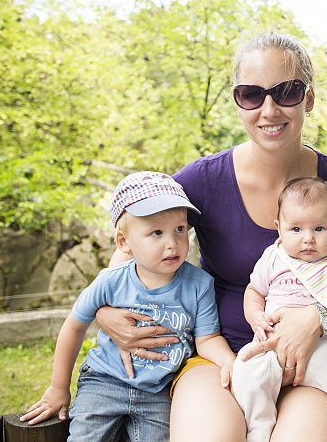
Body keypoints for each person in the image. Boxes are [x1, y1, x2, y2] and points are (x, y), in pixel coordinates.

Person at [96, 32, 327, 441]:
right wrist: (102, 312)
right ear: (238, 101)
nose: (269, 109)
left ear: (309, 98)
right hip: (217, 360)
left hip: (307, 364)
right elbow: (129, 248)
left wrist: (319, 319)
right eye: (251, 94)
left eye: (286, 92)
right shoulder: (202, 179)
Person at [20, 172, 235, 441]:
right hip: (104, 380)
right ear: (123, 241)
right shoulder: (111, 281)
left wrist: (230, 362)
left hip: (159, 389)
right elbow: (74, 327)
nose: (172, 242)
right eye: (156, 232)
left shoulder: (199, 284)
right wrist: (58, 387)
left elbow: (208, 339)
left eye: (179, 229)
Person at [231, 176, 327, 442]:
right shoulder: (274, 257)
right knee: (244, 372)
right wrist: (255, 316)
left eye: (319, 228)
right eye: (296, 229)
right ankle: (259, 427)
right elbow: (254, 291)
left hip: (324, 346)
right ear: (279, 228)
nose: (308, 239)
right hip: (271, 342)